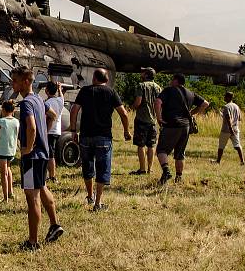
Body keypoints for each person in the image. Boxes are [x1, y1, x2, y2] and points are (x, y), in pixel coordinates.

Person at [10, 66, 63, 250]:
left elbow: (31, 127)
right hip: (43, 154)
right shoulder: (40, 100)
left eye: (15, 81)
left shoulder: (25, 104)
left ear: (26, 81)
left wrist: (28, 148)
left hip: (32, 157)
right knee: (42, 187)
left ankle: (33, 242)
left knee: (32, 198)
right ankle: (55, 225)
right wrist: (44, 135)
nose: (12, 84)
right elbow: (53, 116)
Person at [69, 68, 131, 211]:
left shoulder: (84, 91)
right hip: (103, 136)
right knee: (102, 168)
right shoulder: (111, 92)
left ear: (94, 78)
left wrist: (73, 130)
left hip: (85, 135)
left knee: (87, 166)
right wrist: (126, 131)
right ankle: (98, 203)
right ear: (107, 80)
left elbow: (74, 110)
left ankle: (90, 196)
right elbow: (124, 113)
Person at [155, 73, 210, 185]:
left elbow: (158, 102)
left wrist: (159, 117)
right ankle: (178, 178)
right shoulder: (190, 93)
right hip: (186, 126)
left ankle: (166, 171)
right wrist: (192, 113)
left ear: (176, 80)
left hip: (171, 124)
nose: (170, 81)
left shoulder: (169, 90)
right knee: (180, 154)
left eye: (172, 79)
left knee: (161, 150)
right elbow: (205, 104)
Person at [130, 68, 162, 175]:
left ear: (146, 75)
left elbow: (138, 102)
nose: (141, 73)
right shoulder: (158, 87)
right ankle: (150, 169)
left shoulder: (141, 86)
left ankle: (142, 169)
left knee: (141, 145)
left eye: (143, 72)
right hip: (153, 120)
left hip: (142, 119)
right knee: (151, 145)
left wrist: (132, 107)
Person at [0, 100, 19, 202]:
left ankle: (5, 198)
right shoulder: (17, 121)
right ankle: (11, 192)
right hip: (12, 149)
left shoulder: (0, 121)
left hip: (2, 150)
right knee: (8, 169)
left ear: (3, 110)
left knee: (3, 173)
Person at [215, 91, 245, 165]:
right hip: (236, 128)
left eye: (225, 96)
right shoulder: (236, 106)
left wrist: (230, 129)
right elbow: (239, 118)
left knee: (221, 146)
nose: (224, 97)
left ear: (228, 97)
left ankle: (218, 161)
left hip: (226, 129)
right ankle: (242, 161)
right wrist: (221, 114)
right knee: (237, 145)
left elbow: (228, 118)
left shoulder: (226, 106)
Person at [44, 81, 65, 182]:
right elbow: (61, 96)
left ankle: (52, 176)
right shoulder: (60, 101)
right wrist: (60, 89)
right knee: (51, 152)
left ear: (46, 91)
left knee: (50, 154)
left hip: (49, 131)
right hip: (57, 130)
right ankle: (50, 174)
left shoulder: (47, 103)